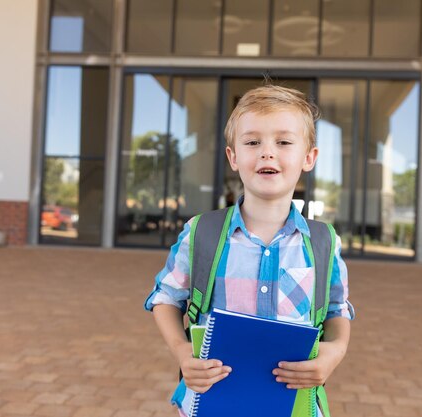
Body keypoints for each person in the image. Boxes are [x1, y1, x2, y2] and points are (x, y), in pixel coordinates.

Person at [144, 84, 354, 417]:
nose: (267, 152)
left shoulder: (324, 242)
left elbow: (335, 309)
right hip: (211, 403)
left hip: (295, 406)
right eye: (253, 142)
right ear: (233, 156)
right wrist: (184, 353)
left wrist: (334, 351)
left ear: (309, 158)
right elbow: (165, 298)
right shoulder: (202, 233)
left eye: (283, 142)